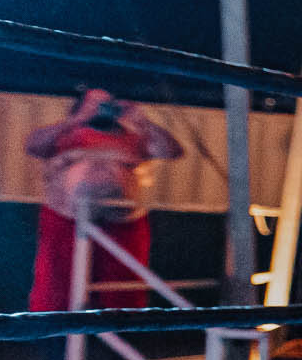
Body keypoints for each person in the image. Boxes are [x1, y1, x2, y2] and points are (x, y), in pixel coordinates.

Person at [26, 88, 184, 311]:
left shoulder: (135, 138)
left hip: (122, 223)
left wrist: (142, 121)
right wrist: (77, 120)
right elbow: (33, 146)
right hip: (66, 219)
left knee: (121, 292)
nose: (102, 110)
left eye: (108, 104)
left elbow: (172, 151)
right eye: (95, 104)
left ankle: (116, 329)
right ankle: (58, 330)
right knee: (57, 290)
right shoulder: (64, 134)